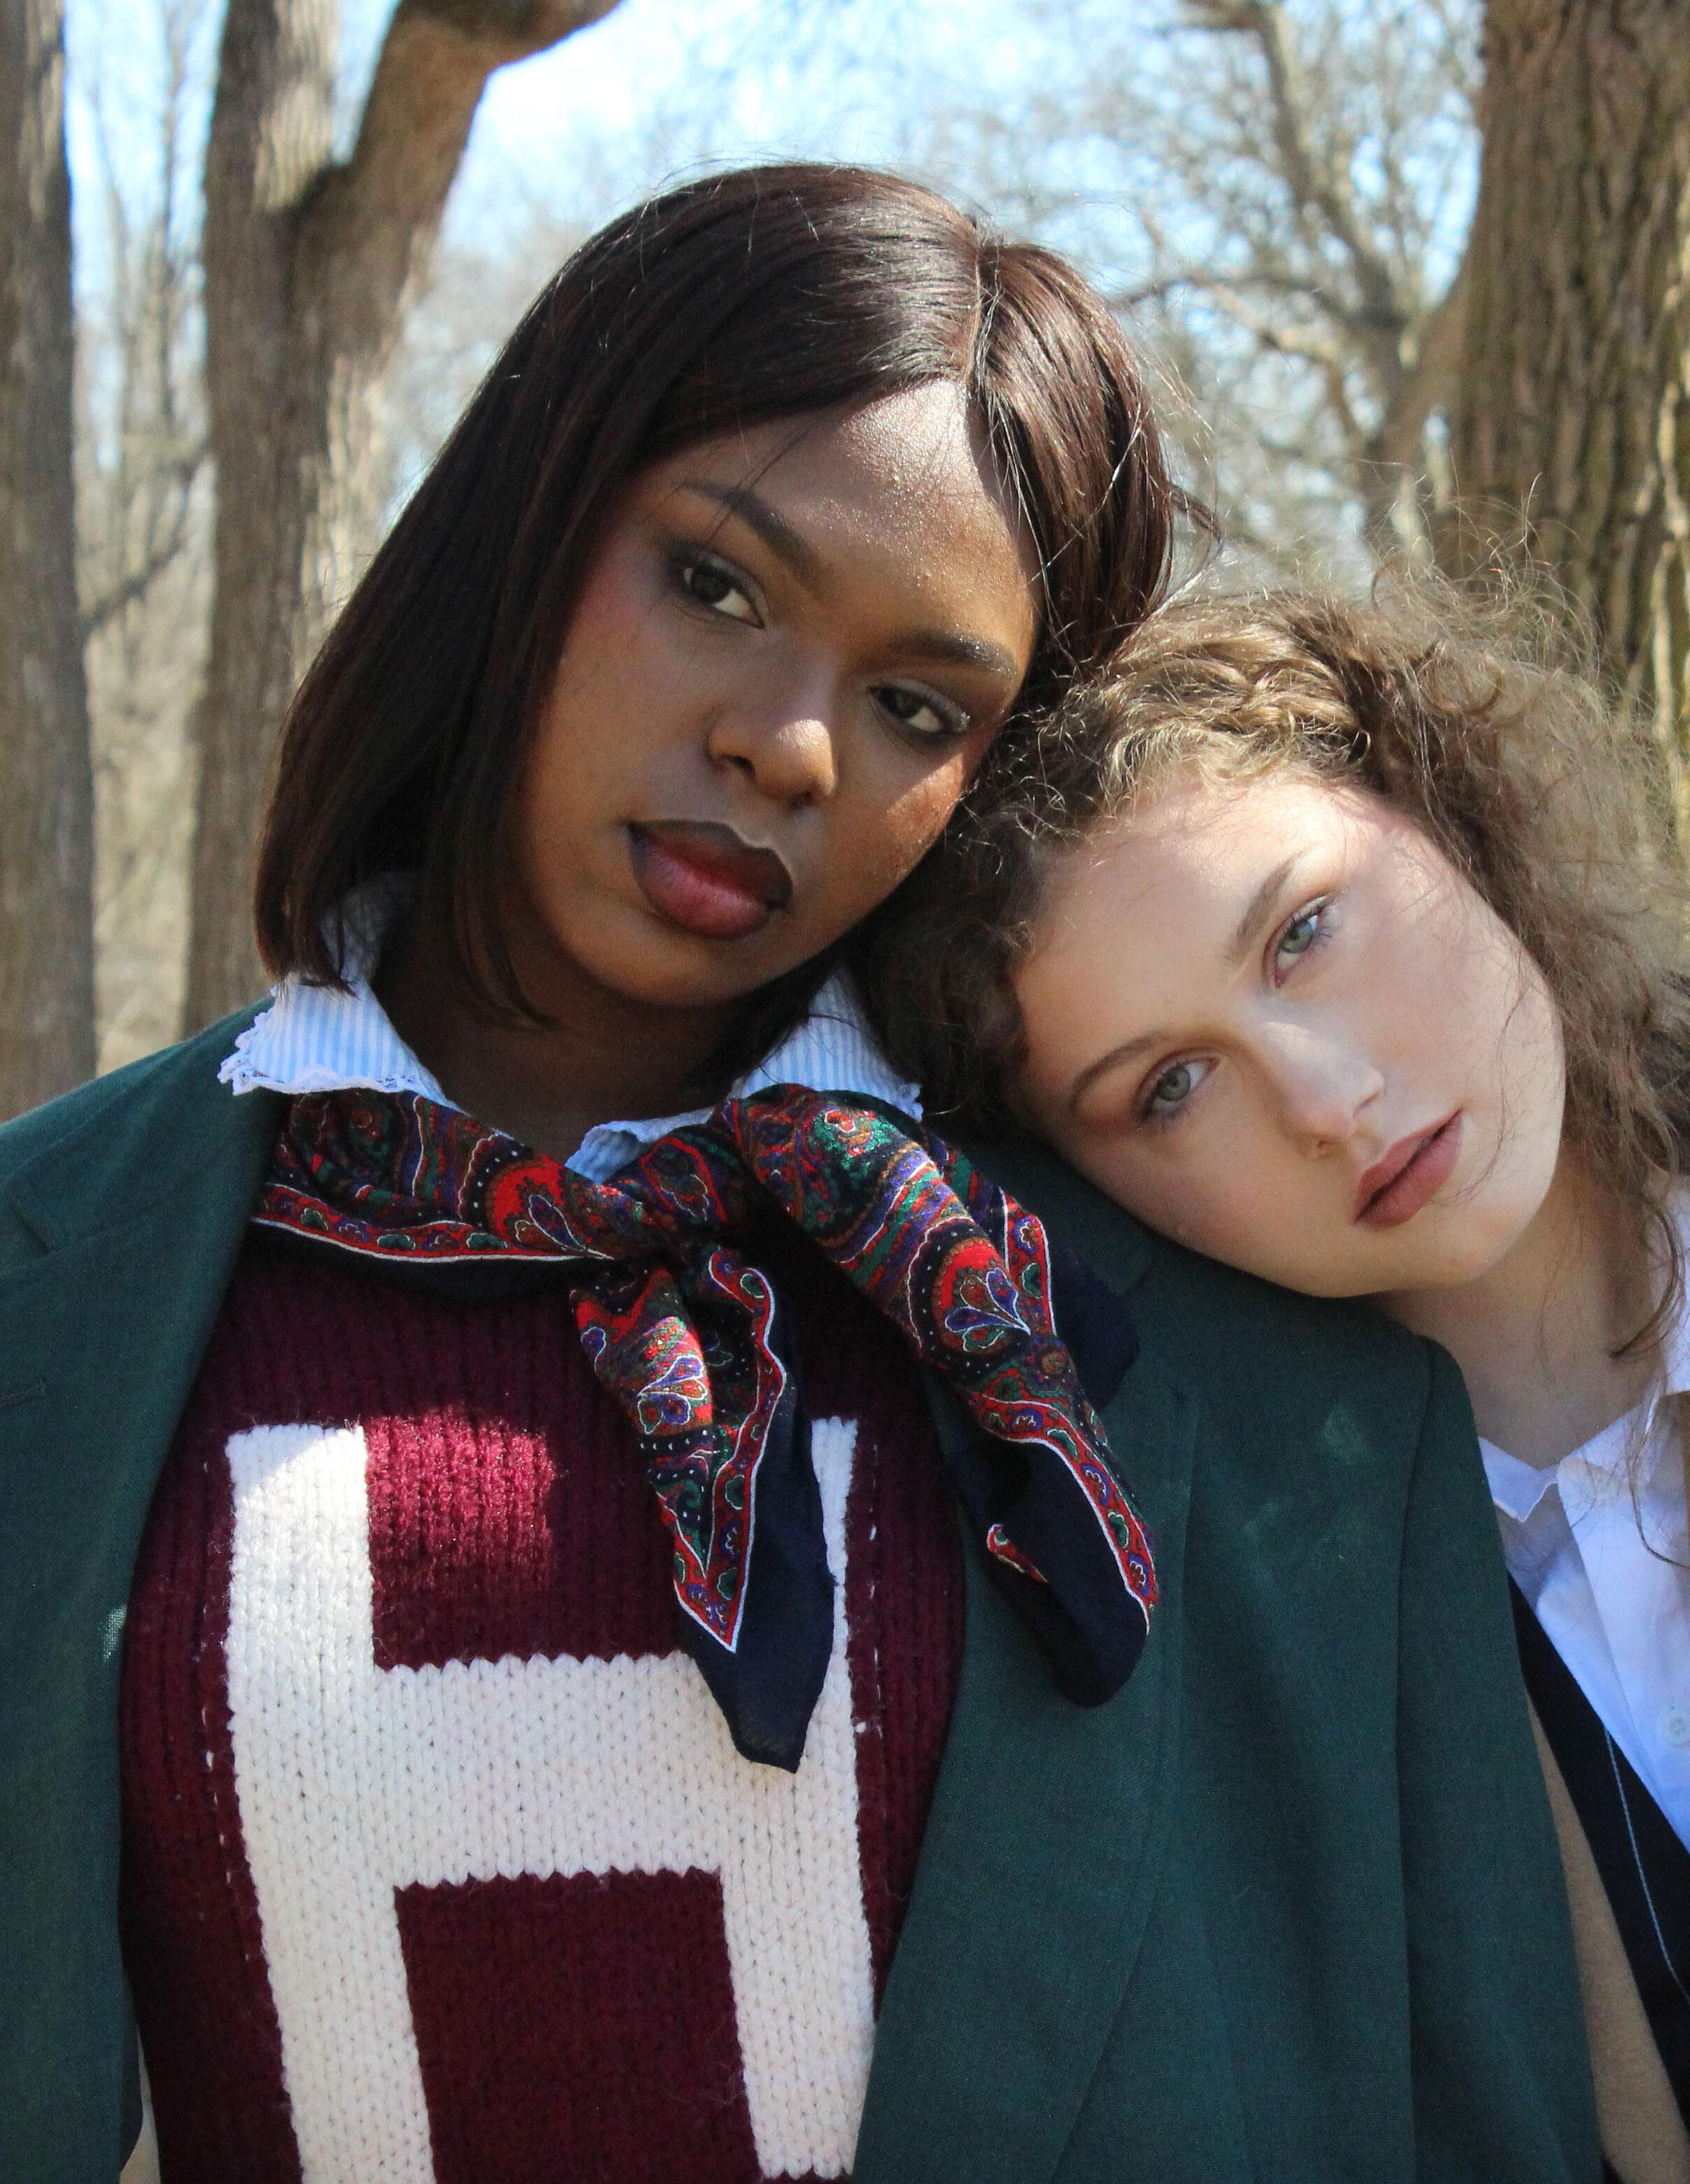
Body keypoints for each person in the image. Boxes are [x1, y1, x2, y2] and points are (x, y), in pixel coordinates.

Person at [0, 171, 1598, 2184]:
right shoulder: (50, 1286)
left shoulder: (1247, 1383)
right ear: (524, 527)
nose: (789, 745)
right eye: (720, 584)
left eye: (917, 705)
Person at [870, 575, 1690, 2181]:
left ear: (1434, 809)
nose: (1324, 1100)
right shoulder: (1227, 1623)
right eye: (1172, 1087)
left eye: (1305, 929)